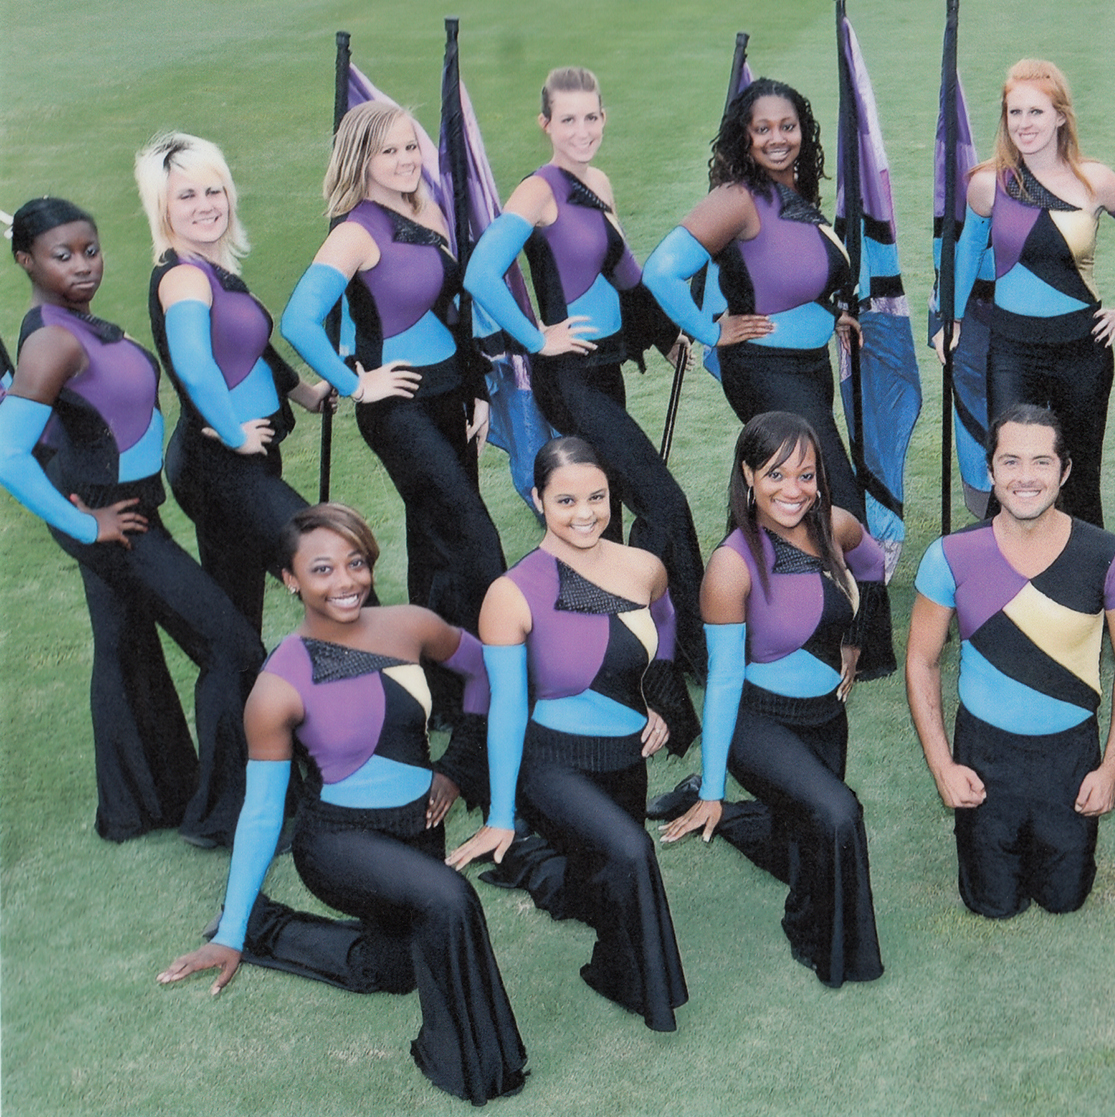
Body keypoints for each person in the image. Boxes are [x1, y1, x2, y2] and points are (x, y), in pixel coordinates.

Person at [156, 504, 528, 1105]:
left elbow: (489, 672)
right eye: (323, 569)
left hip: (418, 830)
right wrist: (223, 937)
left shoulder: (410, 625)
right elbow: (261, 812)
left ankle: (265, 925)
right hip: (338, 845)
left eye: (355, 563)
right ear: (290, 580)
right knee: (448, 899)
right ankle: (471, 1067)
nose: (346, 581)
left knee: (396, 968)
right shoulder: (278, 686)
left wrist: (455, 769)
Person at [1, 197, 263, 846]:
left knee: (124, 647)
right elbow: (9, 454)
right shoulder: (52, 342)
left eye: (90, 250)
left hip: (124, 503)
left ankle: (141, 803)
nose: (84, 265)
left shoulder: (73, 323)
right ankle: (221, 814)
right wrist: (87, 526)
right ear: (25, 261)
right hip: (116, 519)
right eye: (63, 256)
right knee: (231, 646)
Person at [463, 67, 706, 672]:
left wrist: (666, 334)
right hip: (568, 377)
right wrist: (534, 339)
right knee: (665, 502)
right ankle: (695, 651)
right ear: (546, 124)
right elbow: (479, 273)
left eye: (591, 116)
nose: (581, 129)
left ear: (603, 117)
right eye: (567, 119)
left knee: (611, 511)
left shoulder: (597, 182)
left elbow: (622, 275)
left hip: (608, 369)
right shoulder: (538, 190)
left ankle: (619, 643)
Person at [449, 437, 691, 1031]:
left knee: (599, 876)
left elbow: (664, 626)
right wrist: (501, 813)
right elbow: (504, 707)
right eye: (565, 500)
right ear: (537, 499)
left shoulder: (644, 567)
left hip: (624, 759)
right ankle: (636, 988)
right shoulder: (510, 594)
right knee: (631, 853)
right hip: (550, 763)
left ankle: (534, 867)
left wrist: (656, 703)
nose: (584, 513)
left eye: (597, 497)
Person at [658, 411, 886, 987]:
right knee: (838, 814)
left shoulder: (834, 526)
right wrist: (713, 786)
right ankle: (823, 945)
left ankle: (737, 819)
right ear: (748, 475)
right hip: (756, 724)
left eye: (806, 476)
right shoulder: (731, 566)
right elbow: (724, 682)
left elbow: (873, 567)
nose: (793, 490)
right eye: (776, 474)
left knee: (802, 842)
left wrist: (856, 638)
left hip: (826, 717)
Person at [906, 403, 1115, 917]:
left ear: (1064, 472)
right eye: (1010, 461)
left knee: (1065, 900)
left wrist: (1109, 769)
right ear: (989, 471)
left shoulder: (1109, 556)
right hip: (984, 754)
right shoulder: (949, 556)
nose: (1025, 477)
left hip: (1070, 755)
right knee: (992, 903)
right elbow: (922, 662)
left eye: (1041, 462)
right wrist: (943, 765)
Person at [279, 99, 506, 639]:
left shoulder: (427, 209)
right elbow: (298, 320)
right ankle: (503, 660)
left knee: (434, 538)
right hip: (397, 408)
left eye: (410, 146)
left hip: (452, 390)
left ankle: (446, 682)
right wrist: (356, 383)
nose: (407, 159)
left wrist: (477, 390)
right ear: (362, 158)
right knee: (472, 533)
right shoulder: (354, 233)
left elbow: (454, 314)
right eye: (390, 150)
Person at [945, 59, 1115, 527]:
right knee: (1009, 465)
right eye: (1015, 113)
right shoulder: (989, 183)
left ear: (1060, 116)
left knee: (1080, 475)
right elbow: (965, 252)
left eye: (1036, 112)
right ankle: (1001, 580)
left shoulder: (1096, 180)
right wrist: (947, 320)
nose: (1024, 124)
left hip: (1082, 350)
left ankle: (1089, 584)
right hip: (1011, 349)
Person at [136, 132, 335, 634]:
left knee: (236, 618)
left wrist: (306, 395)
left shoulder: (213, 269)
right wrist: (232, 434)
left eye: (213, 191)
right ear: (163, 208)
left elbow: (254, 351)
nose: (206, 205)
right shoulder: (183, 278)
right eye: (187, 196)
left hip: (237, 459)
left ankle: (244, 706)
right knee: (328, 558)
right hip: (221, 463)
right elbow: (195, 366)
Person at [642, 79, 865, 524]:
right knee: (836, 499)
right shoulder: (736, 199)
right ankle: (853, 592)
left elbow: (784, 273)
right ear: (744, 135)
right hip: (765, 370)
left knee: (775, 493)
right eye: (762, 129)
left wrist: (829, 315)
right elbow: (659, 271)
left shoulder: (795, 191)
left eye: (788, 126)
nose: (777, 138)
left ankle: (749, 583)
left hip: (807, 368)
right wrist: (710, 331)